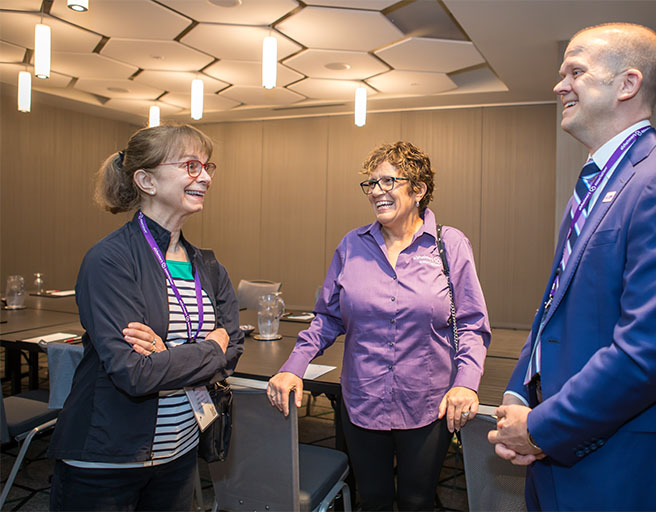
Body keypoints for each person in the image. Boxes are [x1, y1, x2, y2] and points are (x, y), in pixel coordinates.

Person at [488, 23, 656, 511]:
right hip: (558, 450)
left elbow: (648, 353)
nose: (559, 86)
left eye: (575, 72)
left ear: (627, 84)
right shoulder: (595, 187)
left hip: (623, 466)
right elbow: (554, 308)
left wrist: (540, 429)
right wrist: (519, 393)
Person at [268, 141, 491, 511]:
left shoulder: (449, 244)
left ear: (418, 189)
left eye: (388, 181)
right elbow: (327, 318)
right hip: (363, 400)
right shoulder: (352, 245)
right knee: (372, 499)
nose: (376, 191)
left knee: (417, 500)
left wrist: (466, 383)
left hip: (427, 403)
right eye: (371, 184)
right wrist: (294, 366)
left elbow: (471, 323)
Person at [48, 124, 244, 511]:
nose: (205, 177)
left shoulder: (208, 266)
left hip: (180, 452)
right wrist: (209, 348)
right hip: (108, 459)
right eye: (190, 165)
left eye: (207, 167)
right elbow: (134, 374)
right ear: (146, 181)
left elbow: (234, 348)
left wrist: (165, 354)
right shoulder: (110, 259)